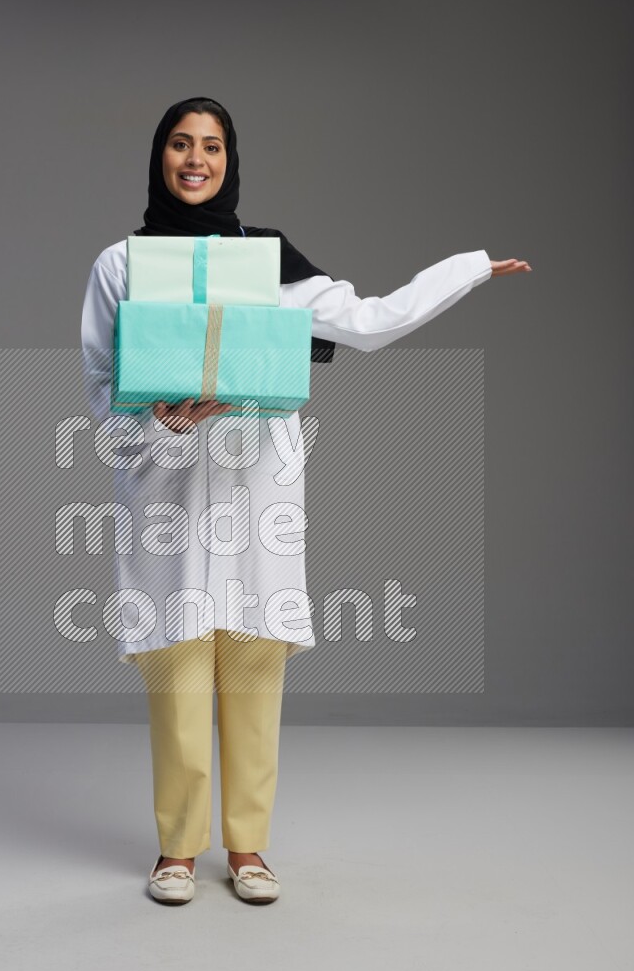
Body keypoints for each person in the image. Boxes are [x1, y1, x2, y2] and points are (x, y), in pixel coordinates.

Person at [80, 95, 531, 905]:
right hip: (170, 496)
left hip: (256, 493)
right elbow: (102, 390)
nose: (195, 159)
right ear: (158, 157)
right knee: (179, 669)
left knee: (252, 664)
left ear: (230, 159)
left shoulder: (268, 260)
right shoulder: (121, 263)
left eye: (211, 146)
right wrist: (159, 421)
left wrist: (468, 269)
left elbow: (366, 322)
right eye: (180, 144)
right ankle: (177, 850)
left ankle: (248, 848)